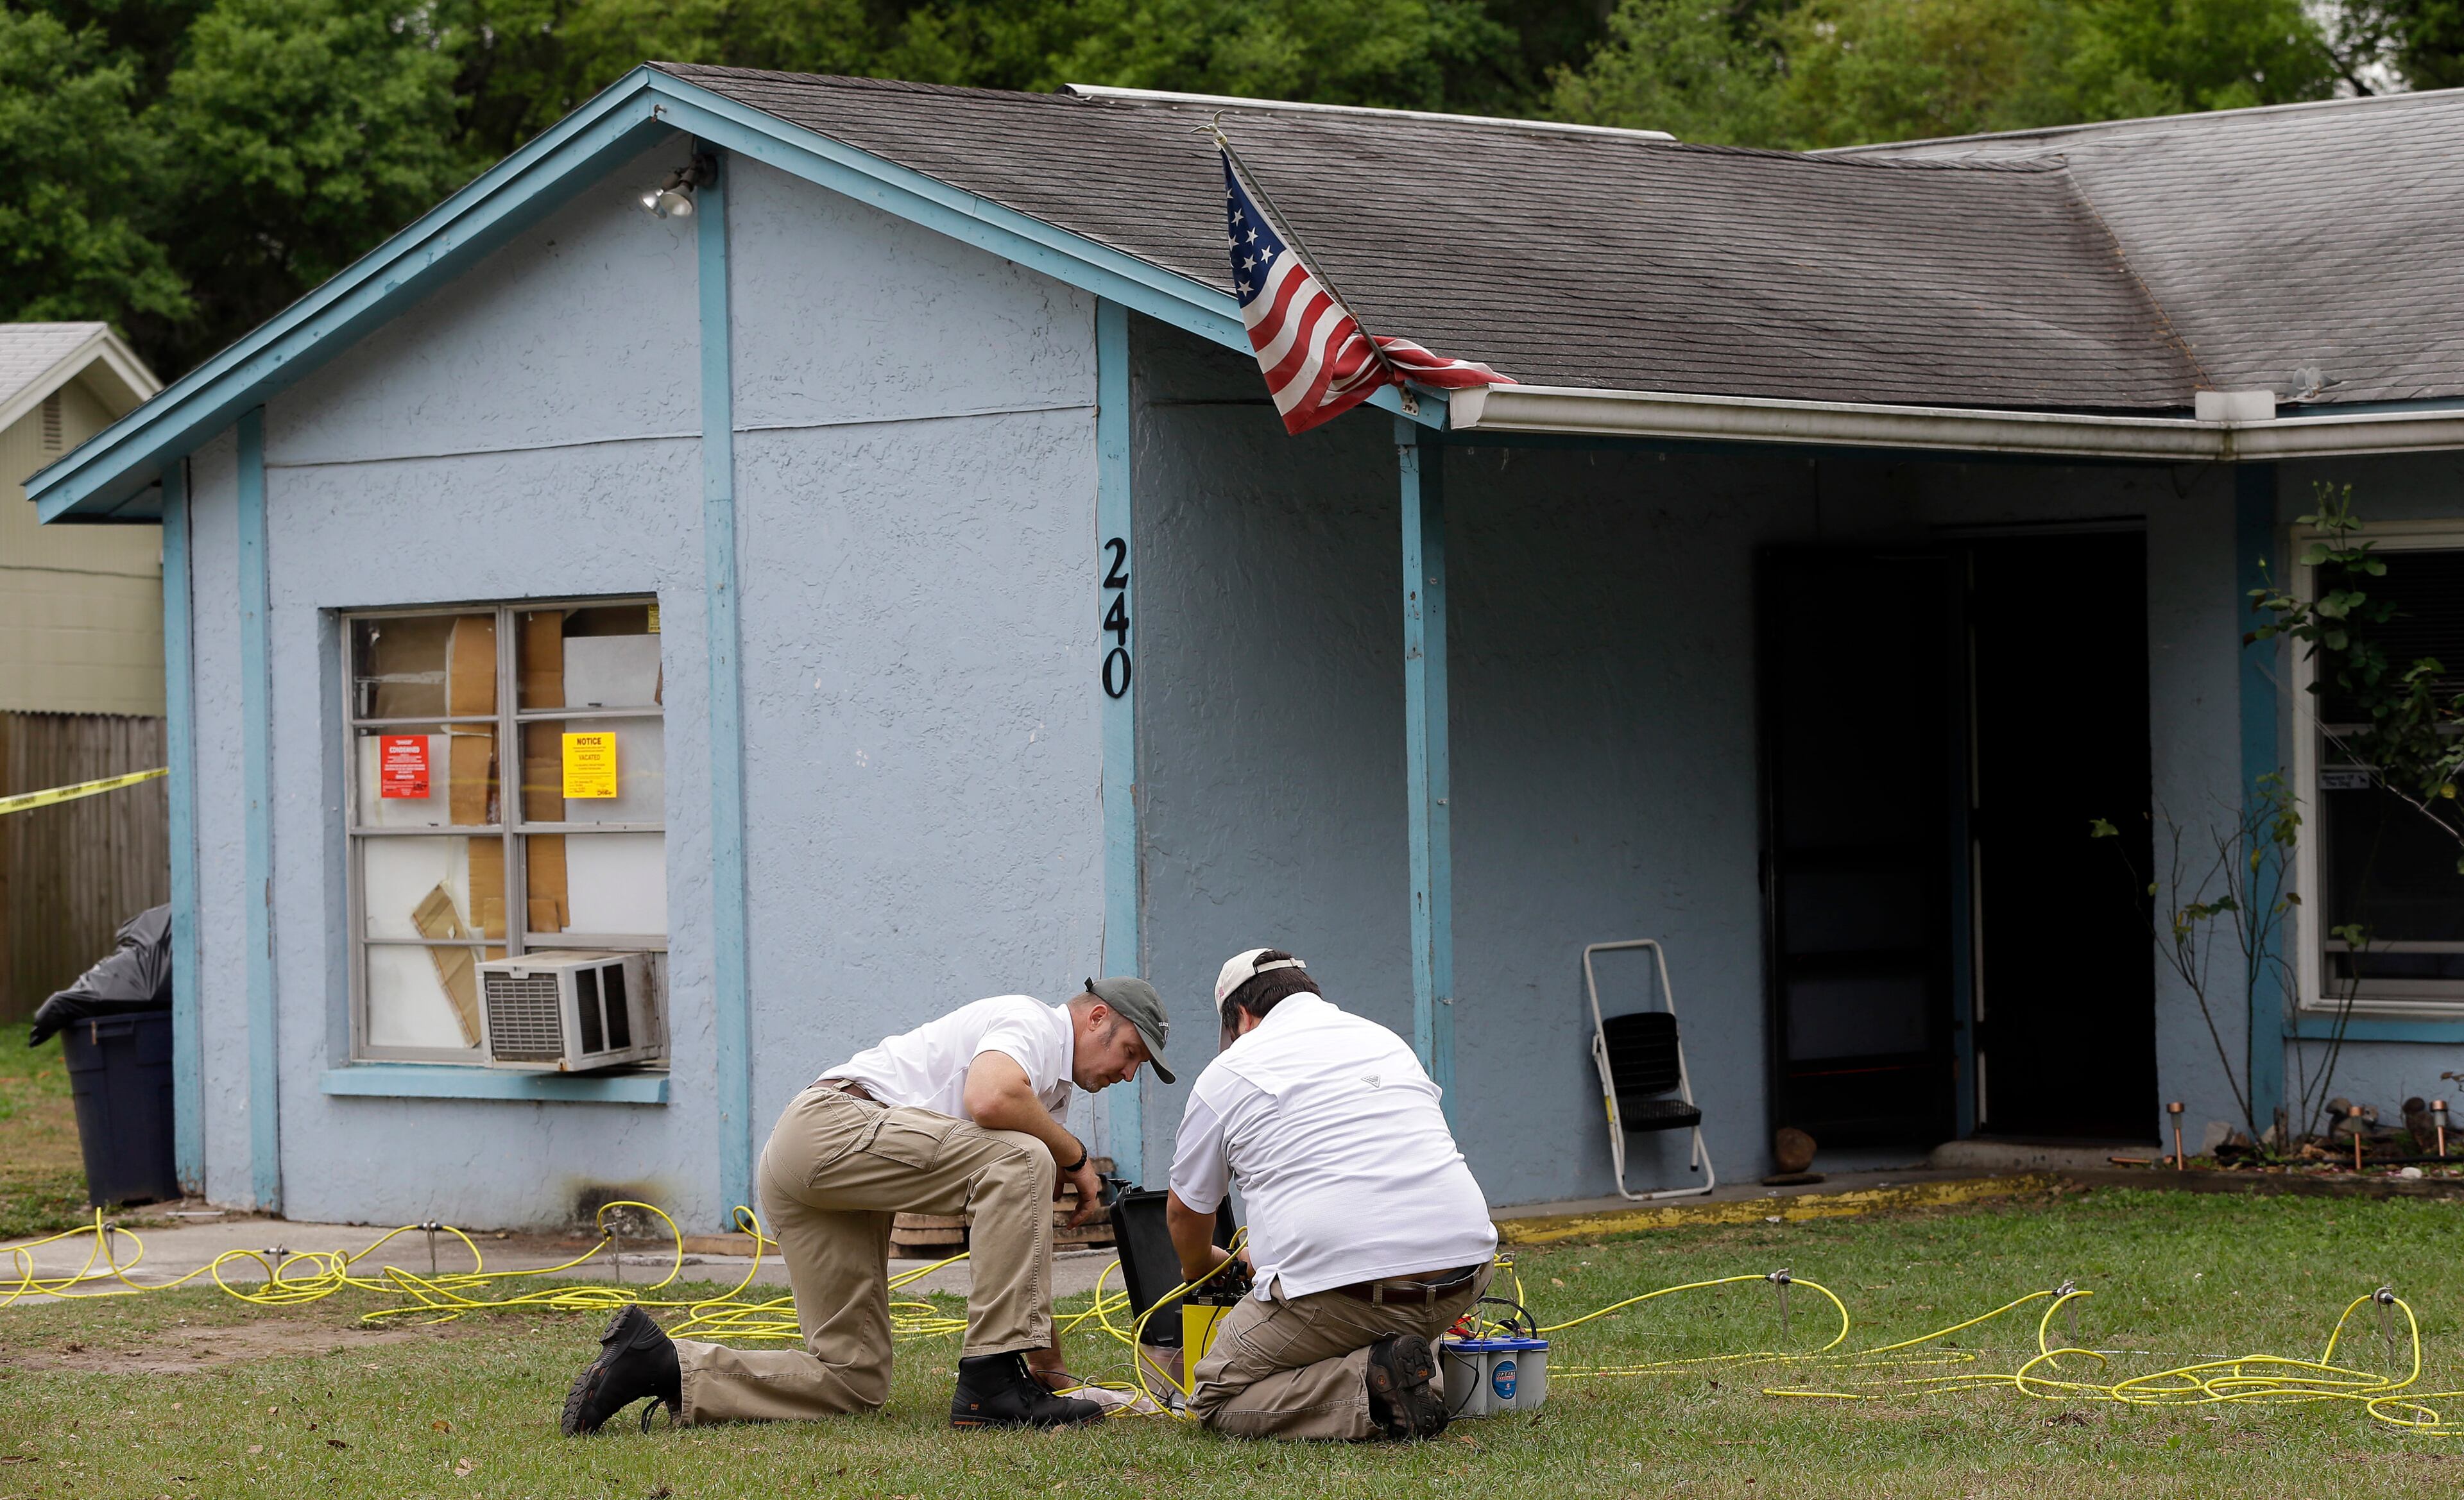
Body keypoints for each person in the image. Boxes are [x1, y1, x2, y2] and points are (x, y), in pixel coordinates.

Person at [560, 977, 1175, 1434]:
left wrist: (1057, 1382)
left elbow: (1024, 1252)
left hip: (819, 1172)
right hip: (832, 1127)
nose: (1128, 1074)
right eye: (1130, 1055)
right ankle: (988, 1385)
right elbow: (989, 1097)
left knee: (854, 1379)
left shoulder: (1045, 1095)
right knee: (1025, 1160)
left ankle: (661, 1365)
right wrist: (1073, 1156)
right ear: (1097, 1018)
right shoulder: (1032, 1025)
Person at [1167, 948, 1496, 1441]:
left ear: (1240, 1016)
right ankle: (1412, 1364)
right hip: (1464, 1273)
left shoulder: (1231, 1071)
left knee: (1215, 1396)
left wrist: (1200, 1269)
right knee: (1354, 1311)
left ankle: (1369, 1383)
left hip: (1345, 1295)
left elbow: (1185, 1213)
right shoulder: (1385, 1041)